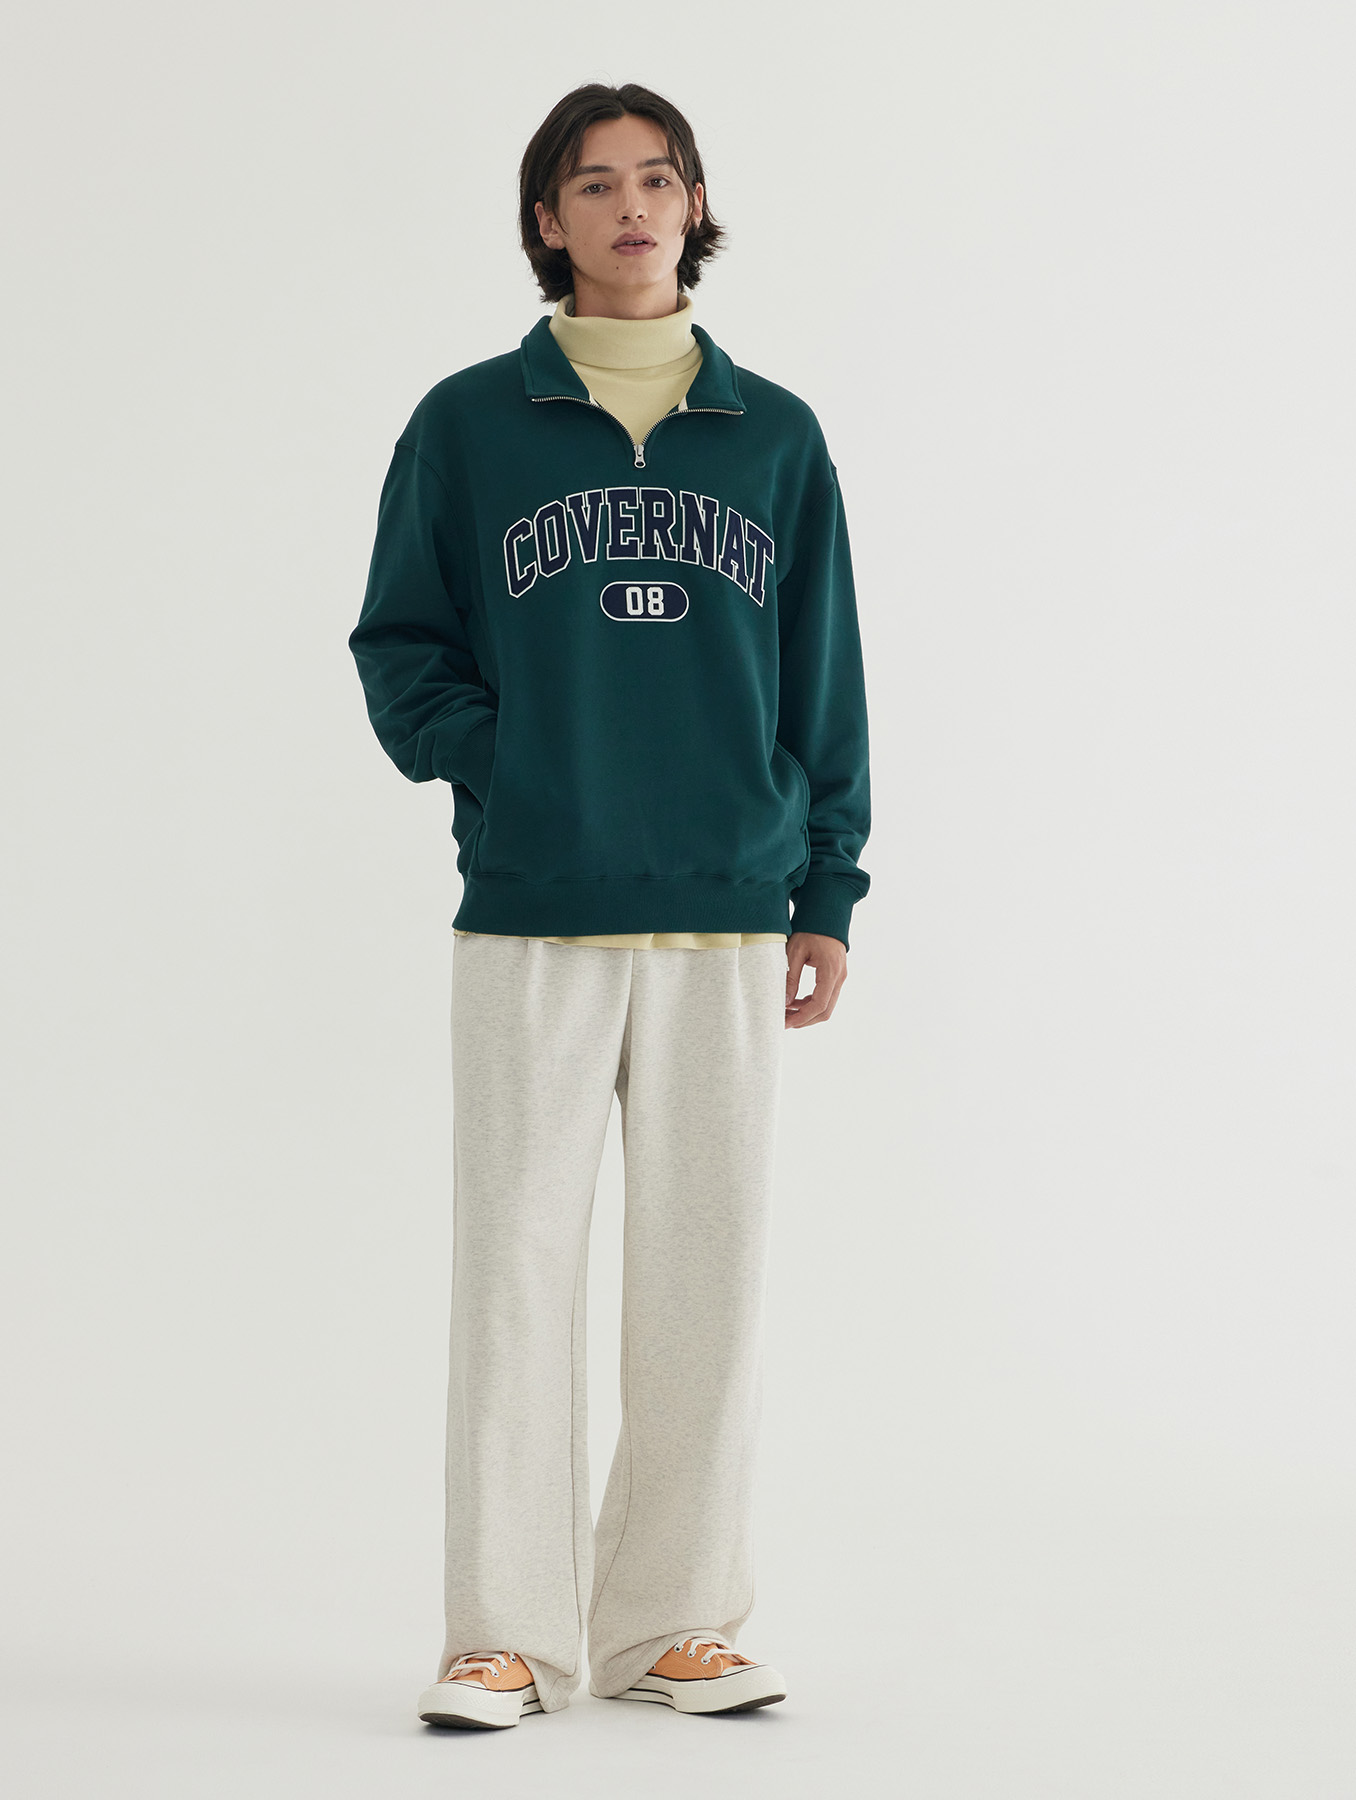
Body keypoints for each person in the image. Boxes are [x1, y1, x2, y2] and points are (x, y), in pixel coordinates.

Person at [349, 81, 871, 1729]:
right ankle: (503, 1634)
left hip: (730, 906)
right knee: (514, 1267)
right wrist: (509, 767)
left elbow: (825, 678)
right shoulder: (469, 424)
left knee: (707, 1275)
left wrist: (828, 884)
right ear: (547, 220)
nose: (632, 206)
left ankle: (673, 1626)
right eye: (595, 183)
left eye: (658, 178)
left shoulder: (774, 434)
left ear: (694, 205)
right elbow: (400, 645)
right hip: (533, 908)